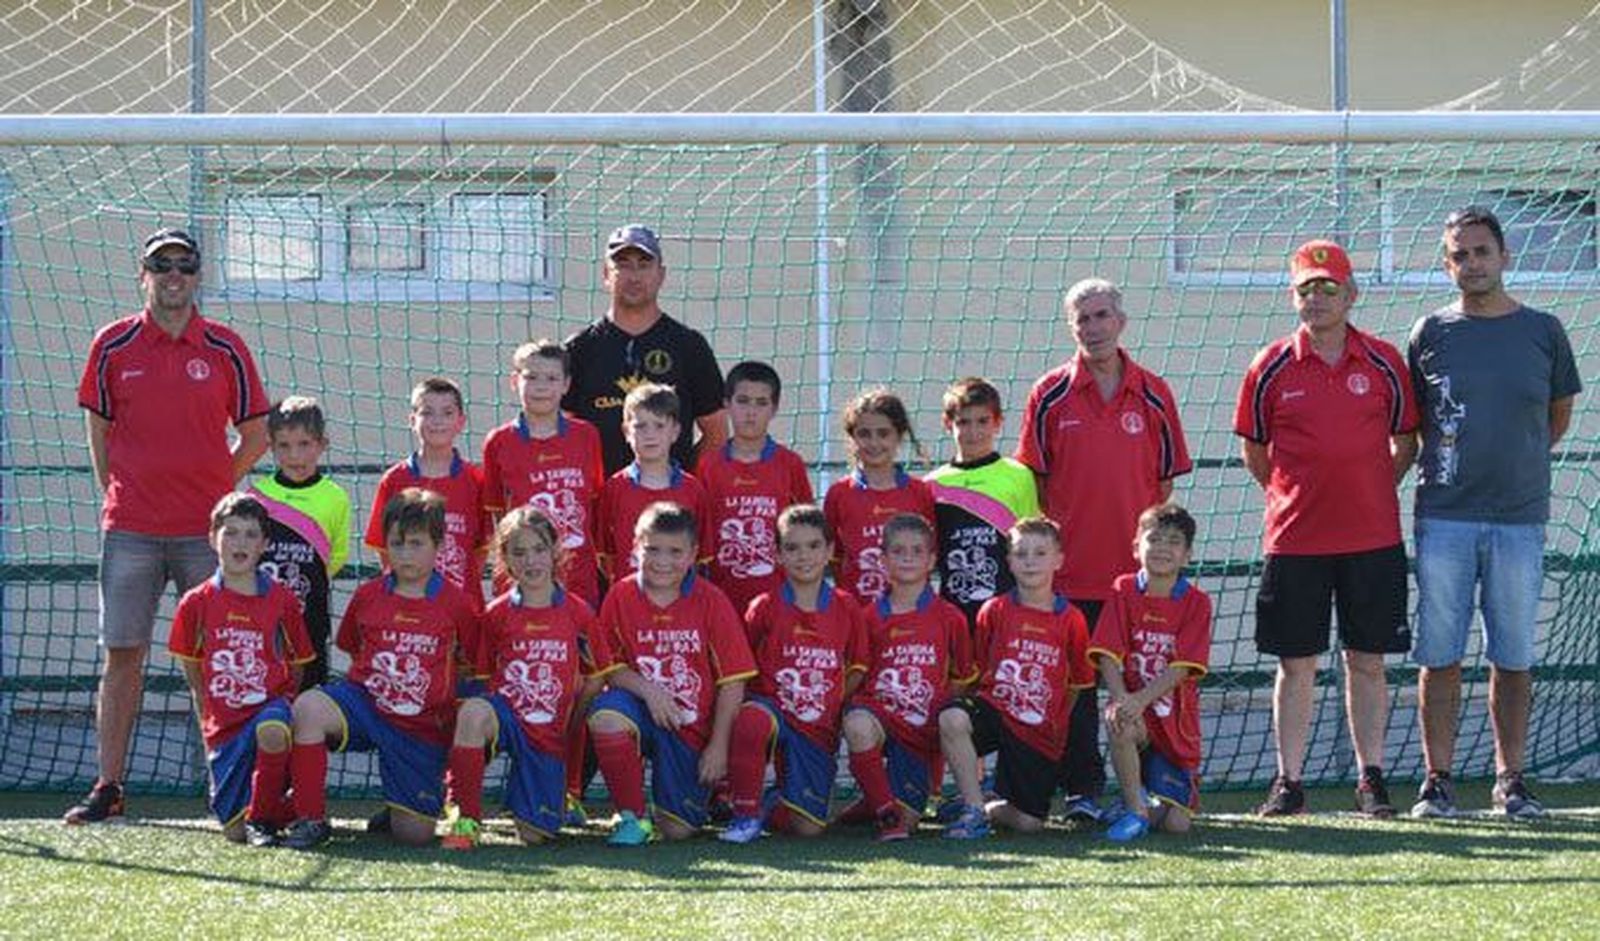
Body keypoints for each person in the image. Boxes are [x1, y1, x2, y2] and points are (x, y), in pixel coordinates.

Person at [67, 228, 270, 825]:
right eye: (163, 265)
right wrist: (116, 490)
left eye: (185, 264)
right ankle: (108, 785)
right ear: (144, 275)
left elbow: (256, 433)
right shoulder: (113, 344)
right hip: (130, 528)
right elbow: (99, 430)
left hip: (205, 536)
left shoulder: (226, 346)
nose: (174, 275)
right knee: (123, 655)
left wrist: (214, 487)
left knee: (210, 660)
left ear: (198, 275)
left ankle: (227, 789)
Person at [1406, 206, 1582, 820]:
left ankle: (1511, 780)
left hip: (1519, 519)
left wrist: (1516, 466)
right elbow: (1415, 424)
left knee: (1512, 657)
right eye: (1460, 254)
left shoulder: (1544, 331)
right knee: (1439, 654)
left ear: (1505, 256)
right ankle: (1437, 780)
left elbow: (1555, 417)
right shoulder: (1430, 331)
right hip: (1444, 517)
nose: (1472, 263)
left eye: (1482, 251)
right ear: (1446, 264)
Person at [1233, 240, 1419, 817]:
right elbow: (1255, 451)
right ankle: (1288, 782)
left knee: (1367, 661)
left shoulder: (1384, 361)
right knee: (1296, 665)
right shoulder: (1269, 365)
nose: (1316, 299)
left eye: (1328, 288)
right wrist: (1292, 497)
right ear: (1294, 297)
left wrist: (1370, 489)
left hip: (1373, 539)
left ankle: (1371, 778)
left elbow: (1406, 442)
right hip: (1294, 540)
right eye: (1306, 289)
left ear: (1351, 294)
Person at [1014, 277, 1192, 821]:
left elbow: (1163, 485)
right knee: (1076, 692)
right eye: (1082, 319)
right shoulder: (1049, 394)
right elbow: (1037, 483)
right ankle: (1082, 793)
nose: (1092, 328)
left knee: (1144, 685)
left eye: (1101, 316)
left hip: (1136, 583)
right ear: (1071, 327)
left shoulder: (1155, 393)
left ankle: (1149, 790)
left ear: (1121, 321)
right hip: (1071, 578)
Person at [284, 488, 482, 849]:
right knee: (308, 707)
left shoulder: (457, 604)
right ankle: (310, 819)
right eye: (397, 544)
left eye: (416, 543)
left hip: (420, 726)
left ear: (439, 545)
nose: (405, 554)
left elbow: (472, 663)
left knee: (414, 836)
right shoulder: (368, 595)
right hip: (366, 705)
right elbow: (352, 646)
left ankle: (400, 806)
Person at [586, 502, 757, 845]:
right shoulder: (620, 595)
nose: (663, 561)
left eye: (675, 552)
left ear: (693, 554)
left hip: (691, 729)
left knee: (678, 830)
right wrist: (650, 692)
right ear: (636, 546)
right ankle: (632, 817)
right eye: (652, 549)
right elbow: (610, 669)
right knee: (606, 715)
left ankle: (686, 799)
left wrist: (718, 746)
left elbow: (733, 681)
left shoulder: (712, 600)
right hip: (641, 711)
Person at [440, 507, 611, 849]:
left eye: (539, 549)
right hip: (507, 719)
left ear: (555, 551)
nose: (531, 561)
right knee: (473, 711)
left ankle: (540, 794)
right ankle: (465, 818)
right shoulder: (496, 614)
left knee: (535, 835)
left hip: (547, 735)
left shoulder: (579, 613)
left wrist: (570, 722)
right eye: (519, 552)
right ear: (504, 559)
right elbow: (485, 678)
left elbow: (595, 678)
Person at [167, 493, 314, 845]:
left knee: (272, 728)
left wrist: (283, 701)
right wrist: (208, 714)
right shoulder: (195, 602)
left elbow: (298, 663)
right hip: (225, 721)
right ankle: (286, 810)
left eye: (251, 534)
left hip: (269, 707)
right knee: (233, 833)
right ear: (212, 538)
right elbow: (194, 670)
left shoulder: (282, 599)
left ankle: (261, 819)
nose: (240, 543)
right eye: (230, 532)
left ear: (264, 544)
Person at [720, 505, 870, 843]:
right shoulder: (764, 606)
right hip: (771, 711)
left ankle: (770, 803)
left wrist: (828, 701)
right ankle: (744, 815)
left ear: (830, 551)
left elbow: (857, 668)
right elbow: (742, 669)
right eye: (792, 547)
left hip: (816, 725)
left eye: (813, 546)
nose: (804, 556)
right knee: (752, 720)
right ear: (777, 554)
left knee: (808, 828)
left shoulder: (847, 607)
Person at [938, 517, 1093, 839]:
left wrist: (1053, 721)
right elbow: (981, 668)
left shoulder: (1072, 619)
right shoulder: (993, 610)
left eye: (1040, 553)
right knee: (952, 718)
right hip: (996, 712)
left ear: (1058, 560)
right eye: (1021, 554)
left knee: (1028, 824)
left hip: (1037, 729)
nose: (1030, 561)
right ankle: (973, 810)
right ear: (1008, 561)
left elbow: (1077, 684)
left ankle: (987, 804)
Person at [841, 514, 976, 841]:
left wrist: (936, 724)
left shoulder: (950, 618)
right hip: (880, 719)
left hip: (921, 733)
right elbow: (859, 674)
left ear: (931, 560)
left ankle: (875, 801)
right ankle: (886, 815)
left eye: (917, 551)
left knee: (911, 819)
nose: (908, 558)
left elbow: (962, 679)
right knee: (857, 723)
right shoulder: (868, 617)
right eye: (898, 551)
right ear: (883, 560)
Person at [1090, 503, 1213, 842]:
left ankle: (1143, 797)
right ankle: (1136, 812)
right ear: (1136, 547)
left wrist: (1140, 699)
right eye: (1154, 539)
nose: (1162, 548)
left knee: (1177, 824)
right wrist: (1122, 699)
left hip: (1175, 727)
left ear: (1187, 555)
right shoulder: (1123, 589)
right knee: (1118, 719)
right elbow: (1106, 654)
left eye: (1174, 542)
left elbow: (1182, 667)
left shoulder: (1197, 602)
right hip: (1137, 715)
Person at [562, 224, 728, 475]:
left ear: (661, 274)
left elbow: (717, 434)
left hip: (671, 499)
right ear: (606, 274)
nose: (634, 276)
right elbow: (559, 434)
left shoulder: (689, 346)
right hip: (600, 497)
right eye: (623, 265)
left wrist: (683, 482)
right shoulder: (579, 349)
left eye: (644, 264)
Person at [481, 339, 605, 609]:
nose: (541, 387)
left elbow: (594, 504)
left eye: (551, 378)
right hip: (522, 579)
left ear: (566, 384)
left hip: (578, 578)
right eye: (531, 377)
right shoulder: (498, 442)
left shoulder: (586, 435)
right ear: (514, 381)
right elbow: (498, 515)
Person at [696, 360, 815, 617]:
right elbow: (699, 532)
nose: (751, 412)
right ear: (727, 404)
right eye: (743, 401)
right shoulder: (709, 465)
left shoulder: (790, 464)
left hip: (779, 599)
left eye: (761, 403)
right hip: (722, 598)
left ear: (774, 409)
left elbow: (808, 531)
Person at [249, 395, 350, 691]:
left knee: (309, 690)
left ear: (322, 444)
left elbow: (337, 556)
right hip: (262, 617)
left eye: (304, 444)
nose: (295, 456)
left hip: (311, 615)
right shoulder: (256, 496)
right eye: (284, 446)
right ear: (271, 446)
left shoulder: (335, 497)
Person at [365, 376, 489, 610]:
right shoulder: (394, 480)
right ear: (412, 420)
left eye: (447, 413)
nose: (437, 421)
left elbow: (481, 550)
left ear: (461, 422)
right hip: (410, 610)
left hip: (462, 609)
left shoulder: (477, 480)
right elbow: (384, 550)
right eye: (427, 412)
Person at [926, 377, 1040, 625]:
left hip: (1009, 610)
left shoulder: (1019, 475)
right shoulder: (932, 485)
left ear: (998, 423)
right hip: (954, 612)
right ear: (948, 424)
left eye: (983, 421)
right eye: (963, 422)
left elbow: (1033, 543)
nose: (973, 432)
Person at [824, 389, 937, 607]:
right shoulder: (839, 494)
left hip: (910, 613)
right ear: (852, 437)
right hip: (857, 612)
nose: (874, 443)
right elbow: (831, 556)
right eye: (864, 434)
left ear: (899, 436)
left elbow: (931, 552)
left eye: (883, 434)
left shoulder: (919, 492)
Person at [597, 383, 711, 584]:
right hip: (630, 598)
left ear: (675, 432)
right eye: (640, 426)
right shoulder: (614, 488)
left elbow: (702, 557)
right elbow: (605, 556)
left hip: (680, 599)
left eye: (659, 425)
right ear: (626, 432)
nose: (650, 435)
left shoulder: (693, 490)